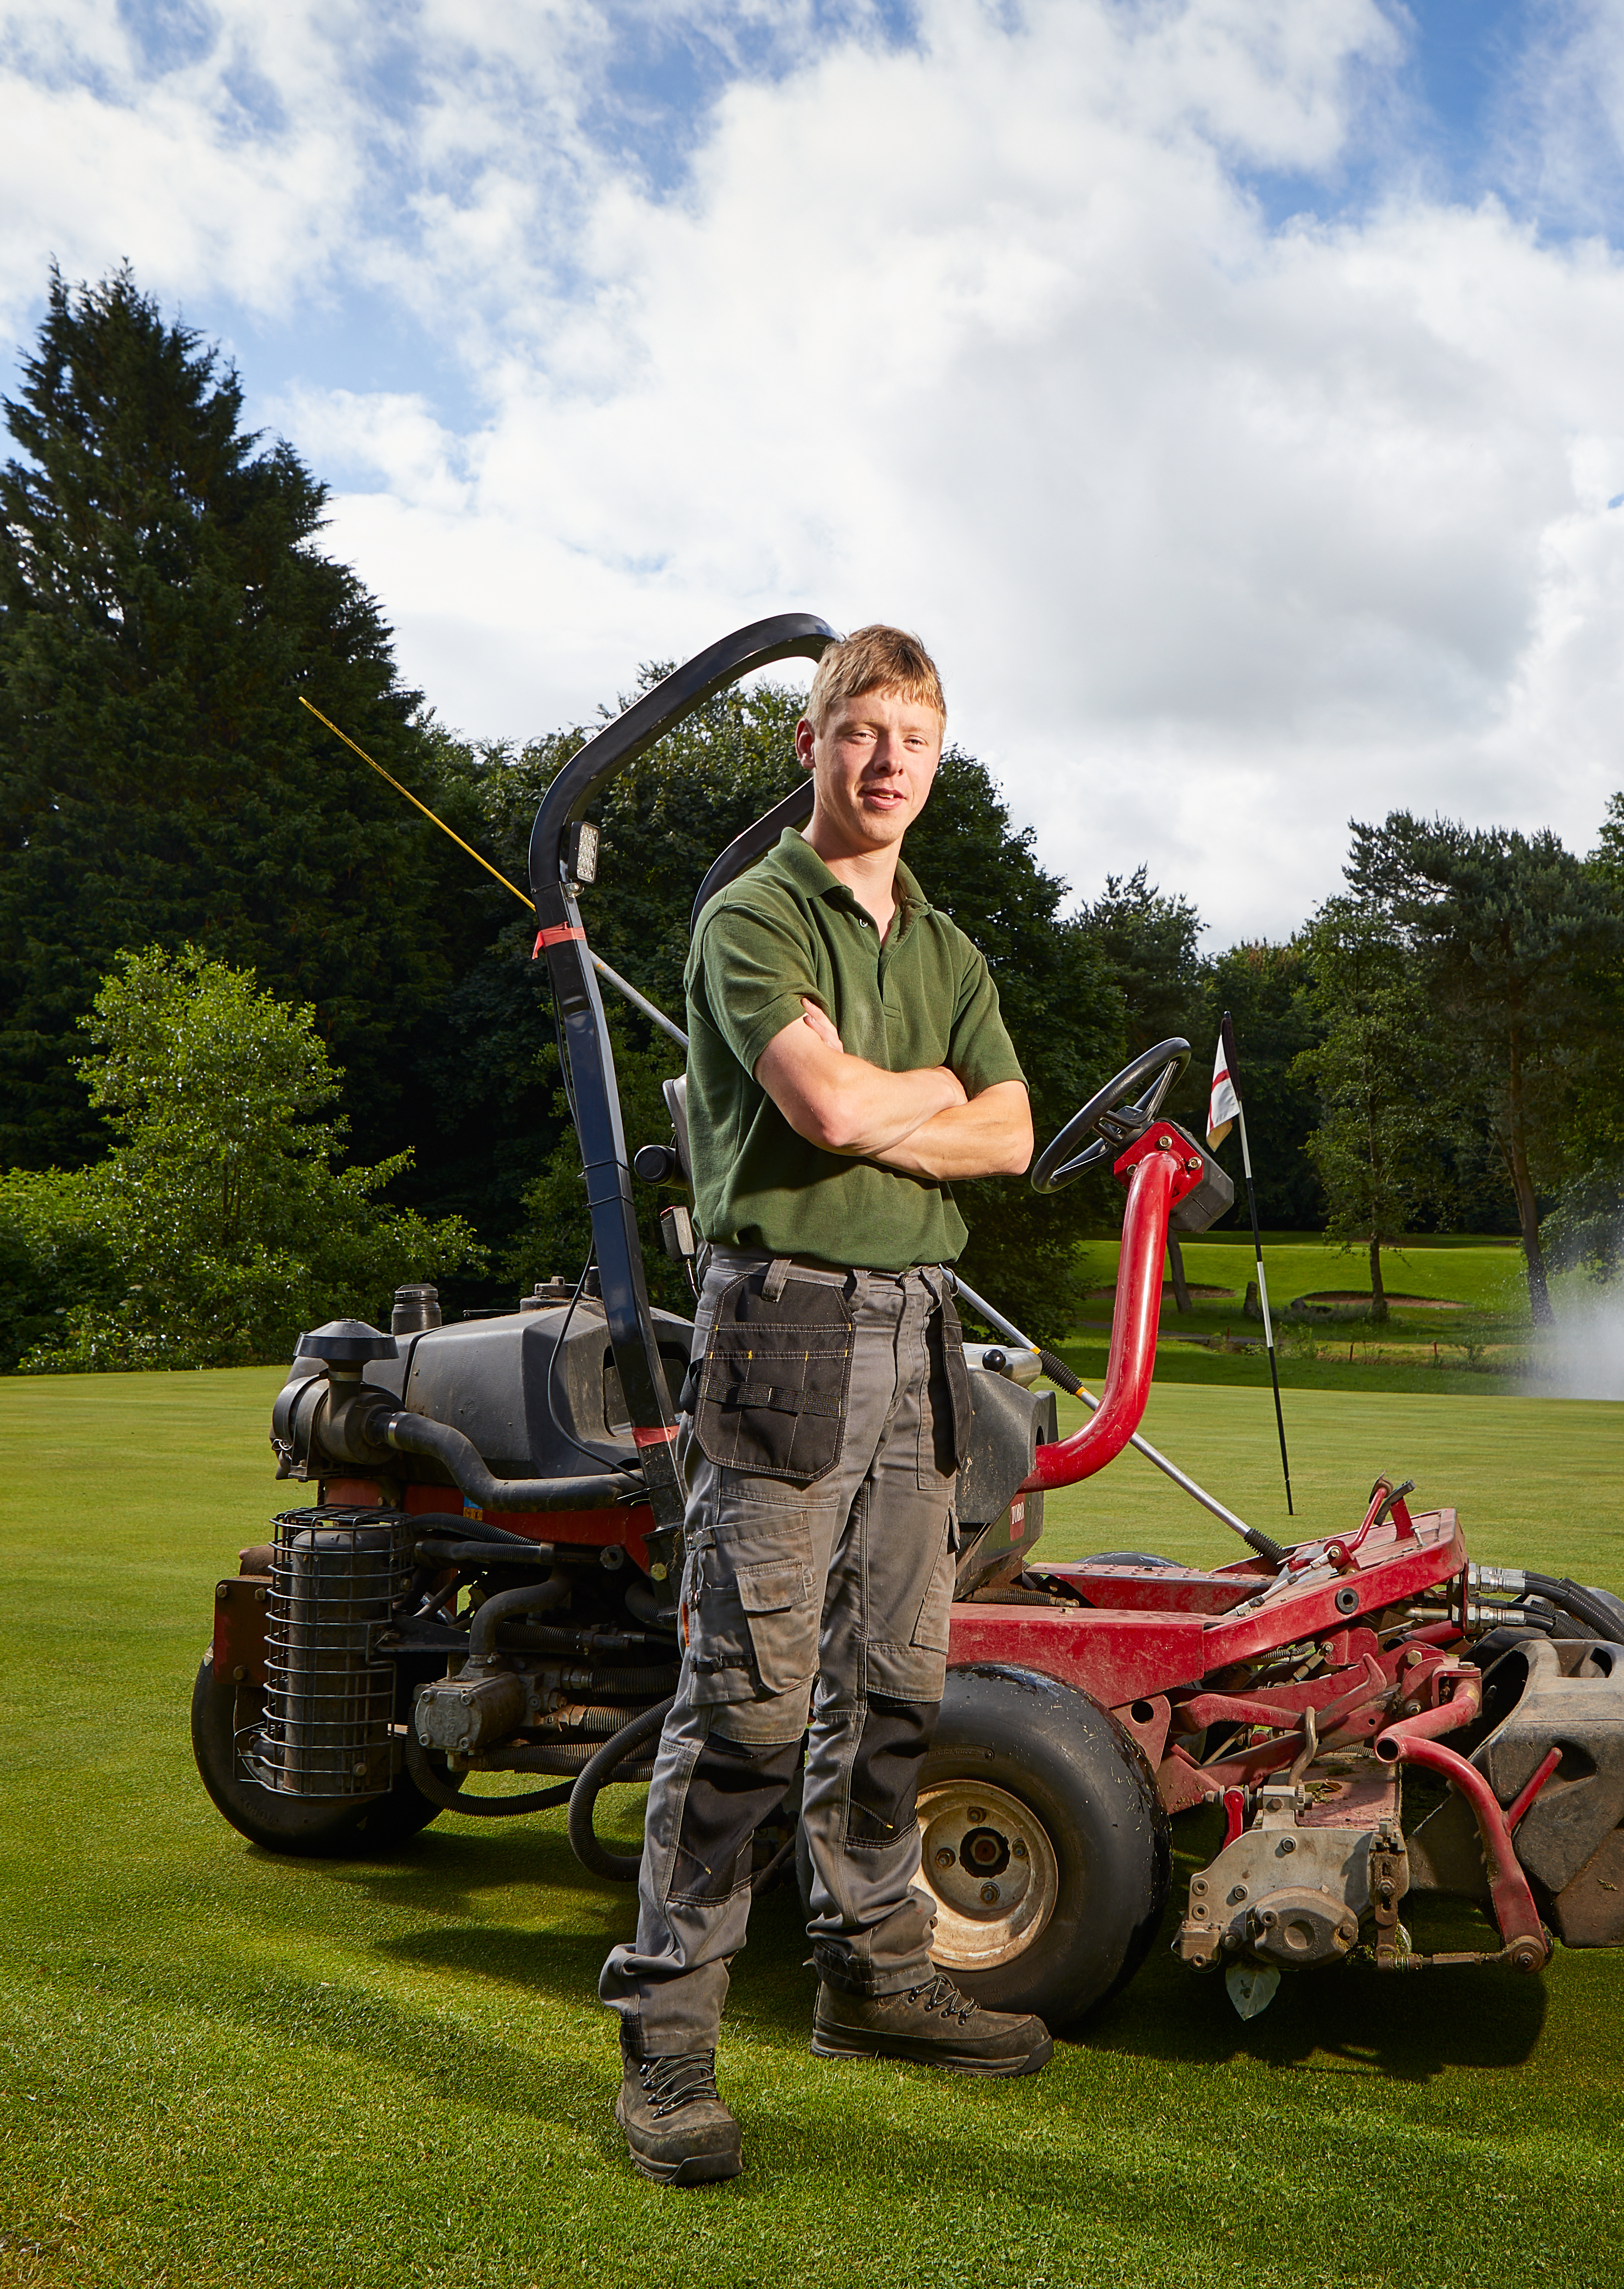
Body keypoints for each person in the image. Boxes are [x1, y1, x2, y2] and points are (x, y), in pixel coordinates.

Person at [601, 625, 1041, 2186]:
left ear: (939, 756)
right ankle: (668, 2047)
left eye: (914, 737)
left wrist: (897, 1106)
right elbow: (834, 1107)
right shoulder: (752, 917)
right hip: (783, 1331)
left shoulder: (948, 948)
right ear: (811, 744)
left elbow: (1016, 1136)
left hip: (925, 1341)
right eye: (860, 731)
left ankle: (874, 1973)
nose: (887, 763)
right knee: (753, 1703)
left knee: (899, 1684)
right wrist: (918, 1101)